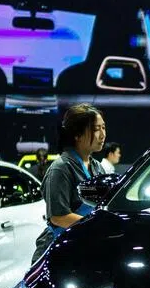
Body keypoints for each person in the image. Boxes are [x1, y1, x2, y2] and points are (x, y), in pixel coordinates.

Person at [33, 104, 106, 260]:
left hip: (82, 244)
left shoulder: (98, 167)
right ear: (77, 135)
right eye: (96, 129)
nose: (102, 134)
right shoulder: (61, 168)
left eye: (103, 128)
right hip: (58, 248)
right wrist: (98, 226)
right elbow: (58, 216)